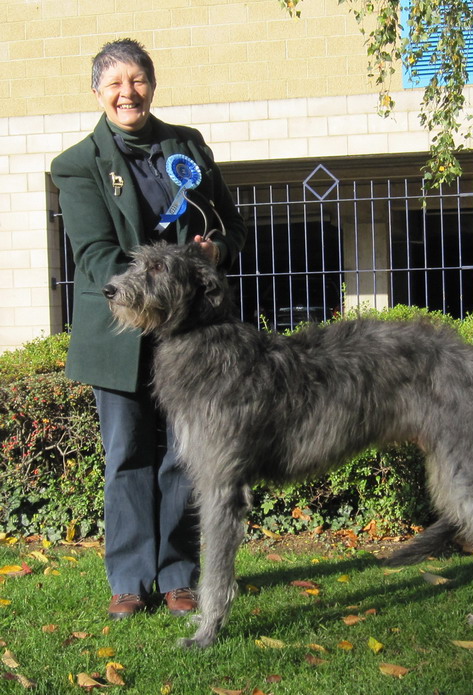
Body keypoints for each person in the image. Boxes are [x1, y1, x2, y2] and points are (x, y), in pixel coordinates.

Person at [51, 39, 247, 619]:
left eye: (136, 81)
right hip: (122, 333)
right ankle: (132, 580)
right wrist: (159, 292)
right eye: (114, 83)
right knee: (128, 456)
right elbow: (94, 255)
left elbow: (230, 224)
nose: (126, 93)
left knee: (185, 456)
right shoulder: (76, 164)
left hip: (195, 338)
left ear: (152, 86)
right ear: (97, 93)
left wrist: (216, 251)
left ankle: (179, 575)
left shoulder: (187, 145)